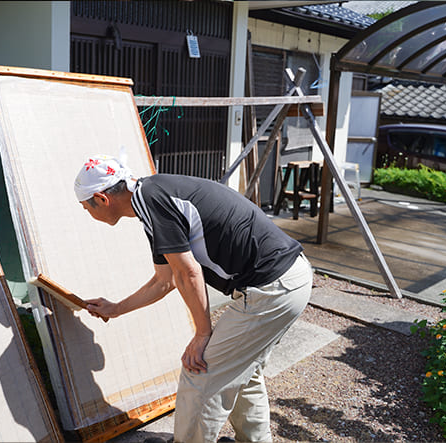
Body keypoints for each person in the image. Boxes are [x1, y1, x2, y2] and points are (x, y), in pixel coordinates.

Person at [74, 154, 312, 443]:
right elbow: (166, 280)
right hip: (290, 278)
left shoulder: (153, 202)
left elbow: (188, 273)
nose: (87, 213)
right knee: (241, 370)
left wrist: (202, 334)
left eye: (85, 207)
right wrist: (115, 309)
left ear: (101, 198)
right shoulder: (154, 194)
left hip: (273, 286)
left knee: (201, 371)